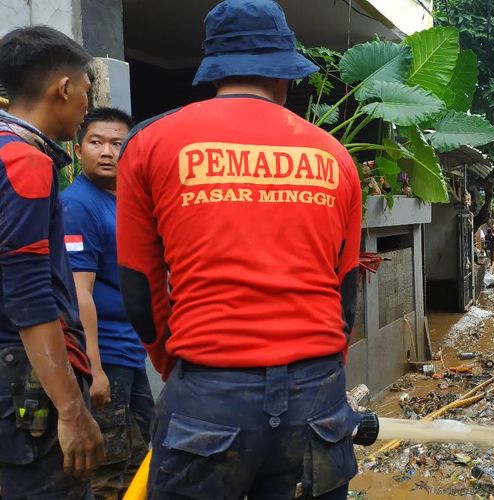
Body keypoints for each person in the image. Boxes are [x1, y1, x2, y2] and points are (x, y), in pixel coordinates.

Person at [116, 1, 363, 498]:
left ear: (215, 70)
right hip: (317, 396)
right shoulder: (334, 156)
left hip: (208, 392)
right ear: (285, 77)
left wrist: (180, 368)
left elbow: (139, 287)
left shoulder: (150, 143)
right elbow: (346, 289)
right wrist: (321, 376)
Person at [0, 26, 104, 498]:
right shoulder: (25, 163)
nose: (86, 104)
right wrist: (70, 410)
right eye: (86, 89)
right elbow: (29, 293)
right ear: (64, 88)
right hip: (23, 380)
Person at [61, 108, 153, 499]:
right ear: (78, 148)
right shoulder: (79, 205)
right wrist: (93, 368)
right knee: (108, 468)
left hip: (129, 353)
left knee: (139, 453)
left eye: (118, 143)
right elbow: (79, 291)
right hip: (105, 357)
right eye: (96, 142)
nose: (107, 152)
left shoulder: (124, 201)